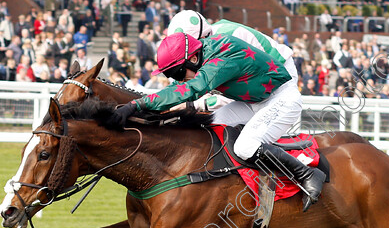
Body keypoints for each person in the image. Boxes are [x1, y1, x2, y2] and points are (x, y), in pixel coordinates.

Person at [109, 31, 326, 211]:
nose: (176, 79)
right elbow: (184, 90)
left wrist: (136, 105)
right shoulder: (203, 55)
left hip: (282, 98)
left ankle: (307, 174)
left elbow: (191, 89)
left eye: (177, 72)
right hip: (254, 101)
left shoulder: (221, 60)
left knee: (245, 146)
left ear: (193, 59)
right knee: (213, 127)